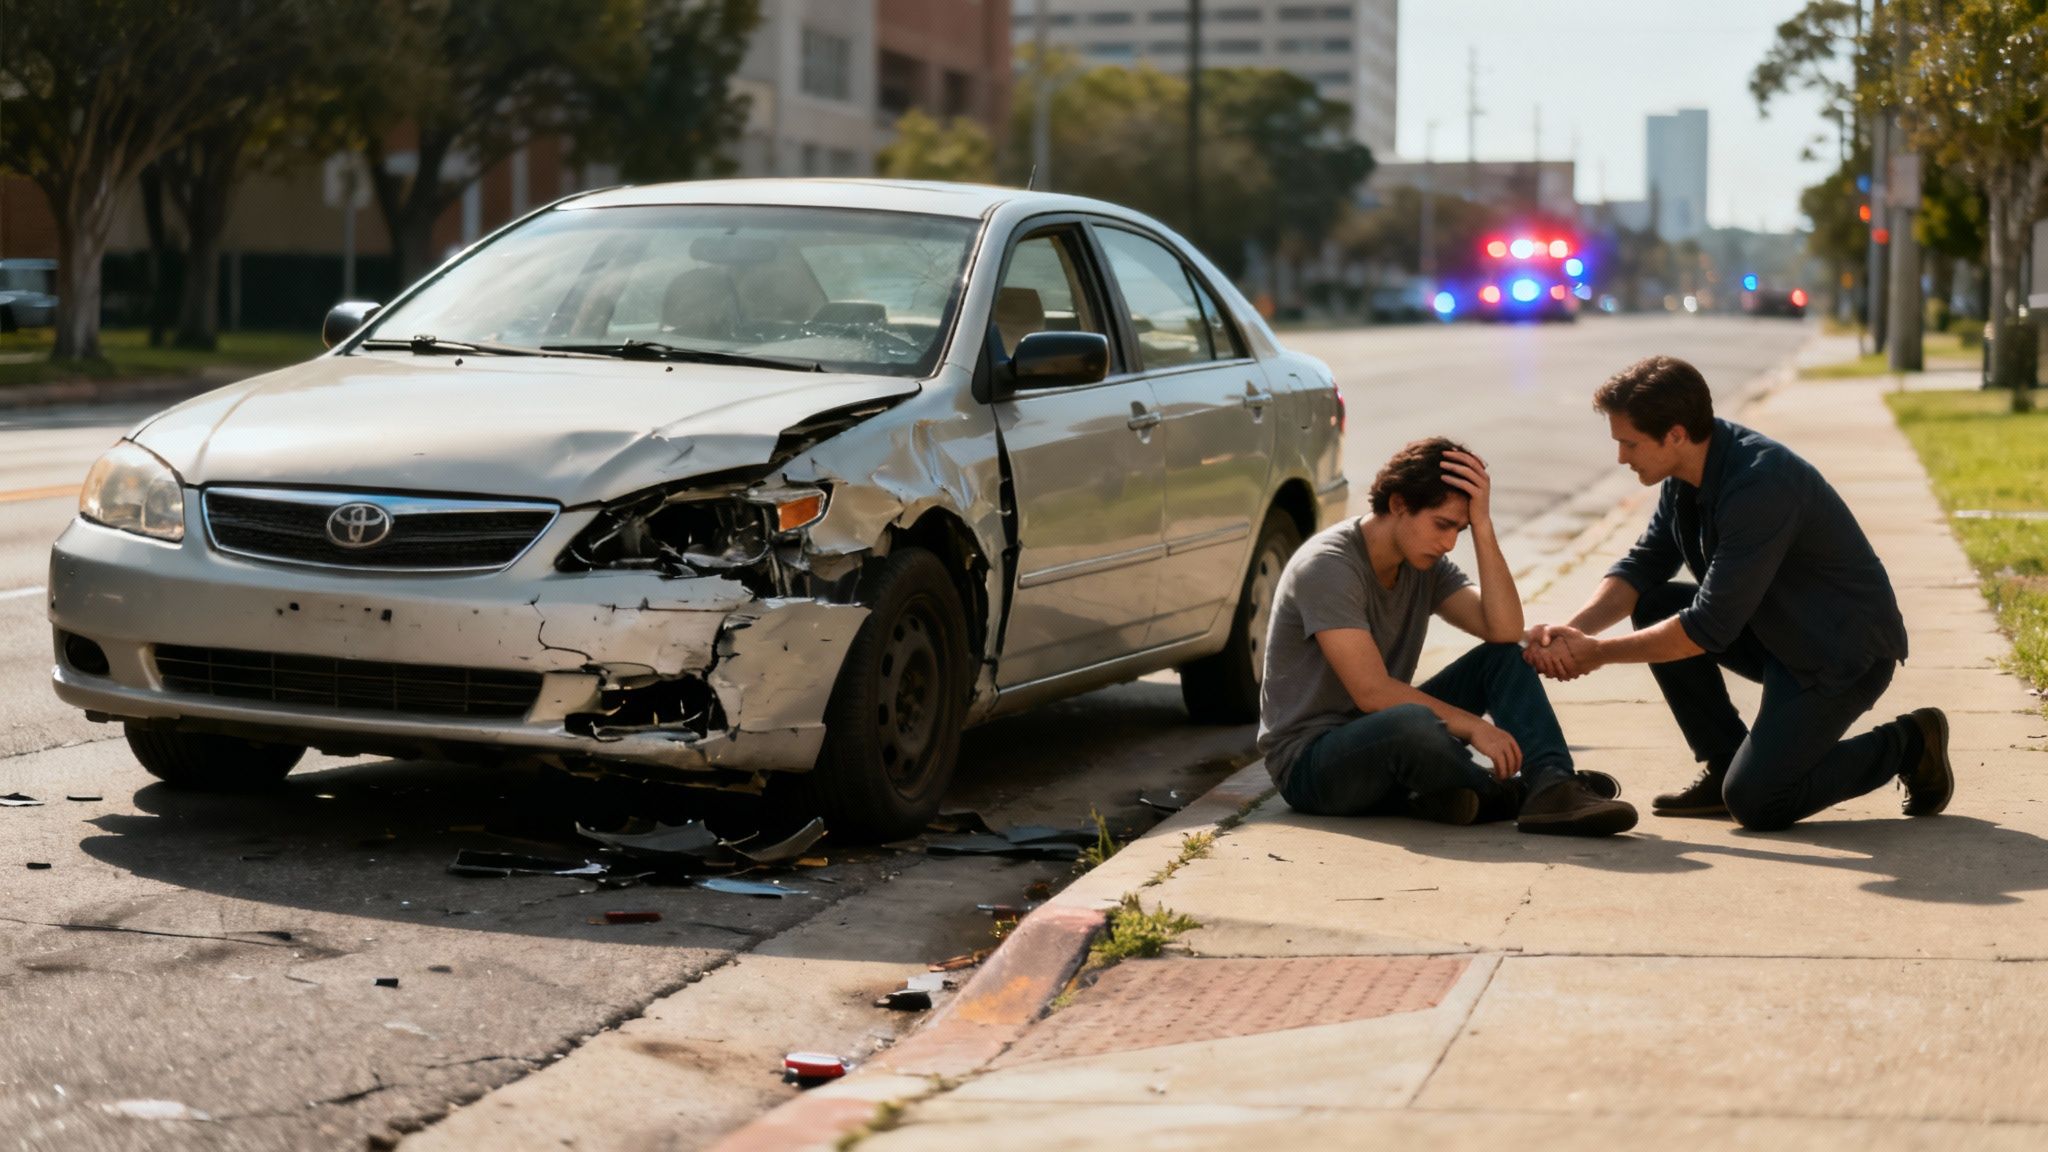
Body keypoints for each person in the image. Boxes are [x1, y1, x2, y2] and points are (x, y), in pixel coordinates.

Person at [1523, 355, 1952, 830]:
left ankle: (1911, 742)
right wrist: (1573, 631)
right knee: (1655, 602)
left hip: (1839, 655)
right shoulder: (1688, 470)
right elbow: (1643, 566)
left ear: (1676, 434)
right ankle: (1724, 760)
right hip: (1775, 635)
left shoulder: (1760, 484)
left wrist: (1596, 654)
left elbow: (1707, 628)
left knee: (1757, 801)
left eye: (1630, 443)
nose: (1622, 457)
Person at [1257, 436, 1638, 837]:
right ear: (1399, 504)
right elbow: (1371, 692)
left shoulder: (1424, 564)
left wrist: (1484, 528)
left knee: (1503, 657)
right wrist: (1476, 726)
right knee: (1412, 723)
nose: (1450, 542)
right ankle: (1516, 792)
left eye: (1461, 529)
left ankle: (1552, 782)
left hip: (1382, 735)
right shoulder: (1329, 567)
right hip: (1313, 766)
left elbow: (1504, 630)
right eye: (1442, 525)